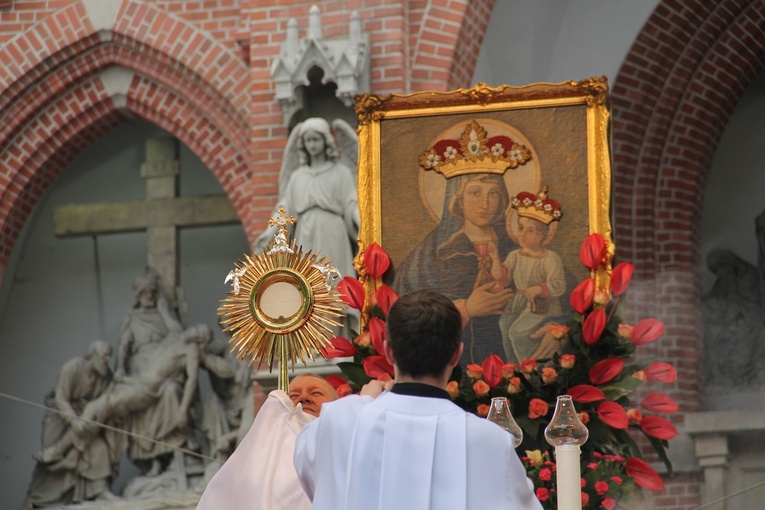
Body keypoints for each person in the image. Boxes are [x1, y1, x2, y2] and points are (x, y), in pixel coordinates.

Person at [293, 290, 542, 510]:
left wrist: (362, 403)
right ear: (456, 355)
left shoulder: (340, 422)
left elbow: (312, 471)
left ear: (388, 351)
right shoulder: (490, 440)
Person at [34, 325, 212, 466]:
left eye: (201, 334)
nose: (196, 331)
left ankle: (59, 450)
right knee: (96, 413)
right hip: (133, 381)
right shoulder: (175, 335)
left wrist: (182, 409)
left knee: (96, 408)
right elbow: (163, 309)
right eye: (198, 327)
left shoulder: (192, 351)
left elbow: (192, 381)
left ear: (200, 342)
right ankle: (68, 453)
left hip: (146, 390)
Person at [393, 173, 516, 366]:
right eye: (475, 192)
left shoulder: (515, 247)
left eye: (493, 193)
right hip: (453, 364)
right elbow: (406, 308)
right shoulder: (433, 253)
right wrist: (466, 309)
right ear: (458, 200)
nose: (485, 203)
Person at [197, 374, 338, 510]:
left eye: (316, 393)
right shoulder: (257, 463)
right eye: (293, 396)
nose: (303, 398)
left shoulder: (345, 450)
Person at [23, 341, 124, 508]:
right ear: (91, 356)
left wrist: (117, 382)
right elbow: (61, 398)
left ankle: (99, 490)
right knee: (52, 463)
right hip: (60, 416)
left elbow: (107, 399)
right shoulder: (72, 368)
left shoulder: (106, 376)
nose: (106, 361)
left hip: (85, 419)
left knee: (100, 447)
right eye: (103, 357)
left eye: (108, 357)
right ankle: (38, 499)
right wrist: (73, 421)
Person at [115, 271, 189, 475]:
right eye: (145, 292)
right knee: (142, 406)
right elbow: (123, 346)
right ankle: (153, 460)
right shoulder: (132, 318)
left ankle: (174, 454)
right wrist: (120, 367)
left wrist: (165, 313)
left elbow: (179, 335)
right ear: (138, 294)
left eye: (152, 292)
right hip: (140, 368)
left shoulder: (163, 315)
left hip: (164, 367)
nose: (149, 295)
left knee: (172, 391)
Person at [498, 188, 566, 363]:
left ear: (541, 236)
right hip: (519, 301)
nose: (522, 233)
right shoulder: (515, 255)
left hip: (542, 305)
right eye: (521, 228)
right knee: (505, 325)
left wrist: (539, 288)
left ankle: (529, 366)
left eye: (529, 230)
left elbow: (559, 284)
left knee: (517, 331)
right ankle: (512, 366)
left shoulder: (550, 258)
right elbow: (504, 276)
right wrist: (492, 258)